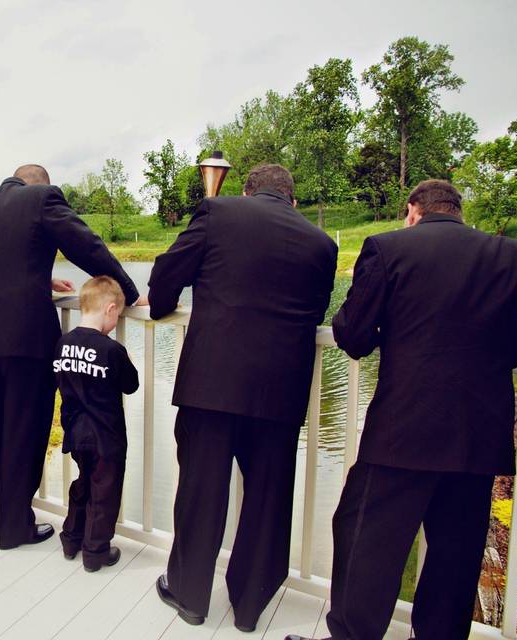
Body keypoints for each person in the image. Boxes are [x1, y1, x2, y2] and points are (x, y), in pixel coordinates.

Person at [287, 180, 517, 640]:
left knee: (366, 540)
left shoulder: (388, 249)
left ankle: (352, 636)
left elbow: (354, 334)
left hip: (403, 429)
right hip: (478, 434)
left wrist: (392, 330)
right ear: (459, 212)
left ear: (413, 211)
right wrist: (497, 352)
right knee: (455, 555)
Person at [148, 164, 337, 630]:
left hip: (212, 381)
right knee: (268, 499)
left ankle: (190, 596)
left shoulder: (217, 212)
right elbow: (315, 310)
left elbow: (168, 273)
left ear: (248, 191)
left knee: (200, 490)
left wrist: (161, 304)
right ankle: (249, 606)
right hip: (280, 388)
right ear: (292, 200)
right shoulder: (323, 244)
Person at [0, 163, 145, 550]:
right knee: (27, 433)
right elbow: (86, 245)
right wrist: (127, 293)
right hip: (25, 336)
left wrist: (39, 277)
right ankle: (15, 528)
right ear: (40, 184)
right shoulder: (42, 198)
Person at [53, 276, 138, 571]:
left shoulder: (63, 343)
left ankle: (71, 538)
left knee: (83, 484)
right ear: (111, 309)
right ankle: (96, 552)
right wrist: (126, 357)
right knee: (105, 492)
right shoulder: (112, 351)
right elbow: (131, 385)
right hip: (107, 436)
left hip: (76, 432)